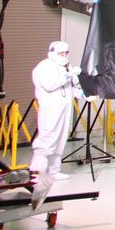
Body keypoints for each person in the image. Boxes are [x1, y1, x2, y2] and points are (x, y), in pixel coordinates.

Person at [29, 40, 81, 209]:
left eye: (66, 53)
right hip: (51, 110)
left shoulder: (66, 67)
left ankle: (54, 170)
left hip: (65, 109)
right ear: (52, 52)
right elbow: (50, 85)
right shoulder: (44, 67)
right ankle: (37, 173)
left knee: (60, 139)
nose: (64, 56)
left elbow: (71, 87)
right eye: (61, 53)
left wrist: (82, 93)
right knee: (48, 137)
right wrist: (68, 74)